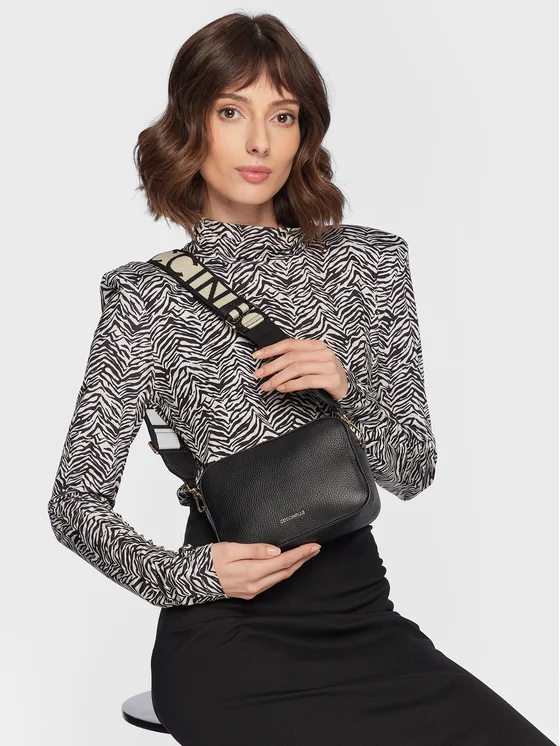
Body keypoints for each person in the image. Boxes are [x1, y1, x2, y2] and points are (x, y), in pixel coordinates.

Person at [48, 11, 555, 746]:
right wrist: (191, 577)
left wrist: (348, 393)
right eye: (232, 112)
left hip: (362, 621)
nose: (259, 141)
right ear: (191, 126)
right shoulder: (143, 296)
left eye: (282, 116)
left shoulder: (370, 265)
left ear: (303, 132)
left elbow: (413, 472)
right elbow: (75, 505)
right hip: (226, 643)